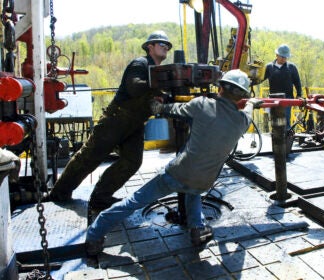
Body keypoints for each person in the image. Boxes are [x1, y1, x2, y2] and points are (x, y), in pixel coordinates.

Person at [85, 69, 264, 256]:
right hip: (205, 181)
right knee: (192, 190)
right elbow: (249, 112)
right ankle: (197, 229)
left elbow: (171, 110)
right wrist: (251, 103)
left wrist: (158, 107)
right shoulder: (243, 121)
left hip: (177, 174)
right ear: (242, 96)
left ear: (219, 88)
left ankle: (94, 235)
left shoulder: (201, 104)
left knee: (134, 201)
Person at [48, 30, 172, 210]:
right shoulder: (141, 64)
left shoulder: (157, 72)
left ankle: (101, 196)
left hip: (135, 124)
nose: (166, 47)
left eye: (167, 45)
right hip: (116, 120)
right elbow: (134, 87)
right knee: (89, 158)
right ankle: (59, 194)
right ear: (149, 47)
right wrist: (160, 84)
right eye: (161, 44)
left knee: (132, 161)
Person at [263, 44, 302, 129]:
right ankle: (276, 139)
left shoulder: (291, 67)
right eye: (282, 57)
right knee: (275, 122)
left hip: (287, 99)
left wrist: (299, 94)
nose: (284, 59)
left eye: (286, 57)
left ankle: (287, 139)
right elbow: (260, 78)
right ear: (277, 55)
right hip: (273, 99)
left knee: (285, 121)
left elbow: (297, 83)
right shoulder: (269, 67)